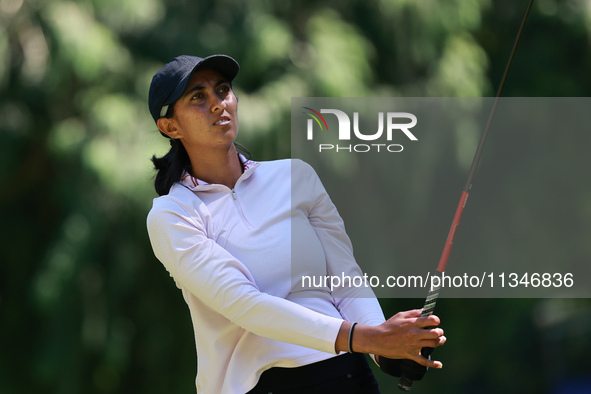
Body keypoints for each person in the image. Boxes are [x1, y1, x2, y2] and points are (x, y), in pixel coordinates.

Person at [146, 54, 446, 394]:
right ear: (170, 127)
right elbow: (247, 305)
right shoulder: (172, 215)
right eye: (198, 97)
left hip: (345, 374)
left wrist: (386, 348)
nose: (217, 104)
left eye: (223, 90)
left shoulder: (295, 176)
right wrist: (369, 338)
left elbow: (345, 279)